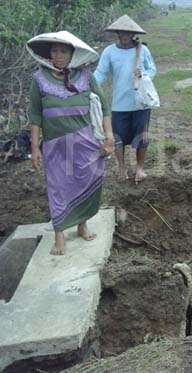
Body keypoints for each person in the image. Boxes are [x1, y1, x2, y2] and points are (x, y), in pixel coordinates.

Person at [26, 31, 114, 255]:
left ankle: (82, 225)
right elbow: (35, 115)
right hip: (55, 146)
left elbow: (104, 108)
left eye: (63, 51)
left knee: (88, 181)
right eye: (54, 51)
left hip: (86, 142)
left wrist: (109, 137)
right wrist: (35, 148)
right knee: (58, 187)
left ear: (72, 54)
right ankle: (59, 234)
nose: (58, 55)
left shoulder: (85, 76)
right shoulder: (39, 79)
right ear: (49, 54)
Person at [95, 15, 157, 183]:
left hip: (140, 102)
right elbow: (100, 73)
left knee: (142, 136)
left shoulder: (142, 50)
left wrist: (143, 75)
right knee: (117, 137)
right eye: (121, 32)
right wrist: (90, 87)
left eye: (128, 33)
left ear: (133, 34)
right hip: (119, 103)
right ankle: (122, 168)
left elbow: (152, 69)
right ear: (117, 33)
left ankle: (139, 168)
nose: (125, 36)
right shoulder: (109, 52)